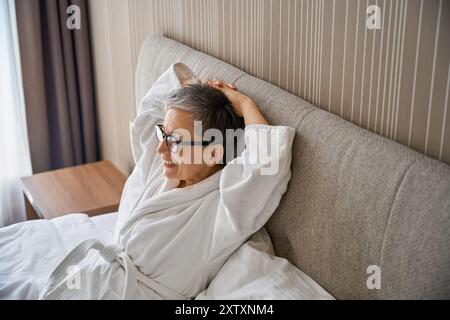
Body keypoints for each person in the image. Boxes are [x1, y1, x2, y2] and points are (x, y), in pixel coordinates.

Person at [39, 62, 296, 299]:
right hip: (93, 281)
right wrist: (198, 89)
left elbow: (267, 164)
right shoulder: (162, 168)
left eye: (175, 140)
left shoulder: (224, 208)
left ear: (214, 151)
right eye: (164, 132)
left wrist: (245, 104)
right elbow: (151, 107)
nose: (161, 148)